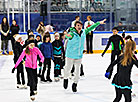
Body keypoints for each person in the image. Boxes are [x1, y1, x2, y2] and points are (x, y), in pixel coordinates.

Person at [63, 19, 106, 92]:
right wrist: (67, 35)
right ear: (75, 26)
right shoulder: (72, 33)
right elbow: (69, 36)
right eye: (78, 25)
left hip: (79, 55)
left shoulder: (83, 32)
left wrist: (99, 23)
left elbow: (91, 27)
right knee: (68, 69)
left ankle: (75, 83)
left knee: (77, 71)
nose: (79, 27)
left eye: (80, 25)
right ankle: (65, 78)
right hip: (70, 55)